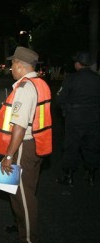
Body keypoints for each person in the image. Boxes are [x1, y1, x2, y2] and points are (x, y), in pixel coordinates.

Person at [0, 46, 52, 243]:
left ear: (20, 65)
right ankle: (21, 226)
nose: (10, 68)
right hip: (35, 144)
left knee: (23, 194)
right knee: (17, 189)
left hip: (23, 146)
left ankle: (28, 241)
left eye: (12, 64)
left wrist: (8, 155)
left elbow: (19, 125)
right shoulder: (40, 83)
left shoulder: (25, 89)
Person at [56, 51, 100, 187]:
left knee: (71, 147)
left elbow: (59, 98)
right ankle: (91, 175)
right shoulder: (97, 78)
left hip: (74, 119)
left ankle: (69, 177)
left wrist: (65, 106)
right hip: (93, 118)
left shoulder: (71, 79)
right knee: (91, 147)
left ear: (78, 64)